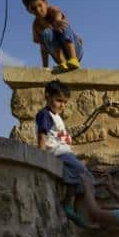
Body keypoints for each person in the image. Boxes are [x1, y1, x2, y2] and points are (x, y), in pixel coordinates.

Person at [35, 79, 94, 227]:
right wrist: (40, 157)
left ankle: (77, 211)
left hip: (66, 152)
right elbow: (42, 135)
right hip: (58, 153)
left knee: (88, 178)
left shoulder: (56, 116)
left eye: (65, 102)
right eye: (59, 100)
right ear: (47, 96)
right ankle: (68, 204)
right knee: (80, 171)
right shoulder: (45, 114)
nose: (62, 105)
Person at [22, 0, 83, 72]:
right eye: (33, 8)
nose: (38, 10)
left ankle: (73, 60)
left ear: (45, 2)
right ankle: (63, 63)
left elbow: (58, 13)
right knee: (46, 33)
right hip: (59, 56)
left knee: (62, 24)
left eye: (40, 5)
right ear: (29, 11)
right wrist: (45, 67)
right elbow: (43, 47)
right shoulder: (36, 26)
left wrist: (57, 21)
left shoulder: (52, 10)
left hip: (75, 50)